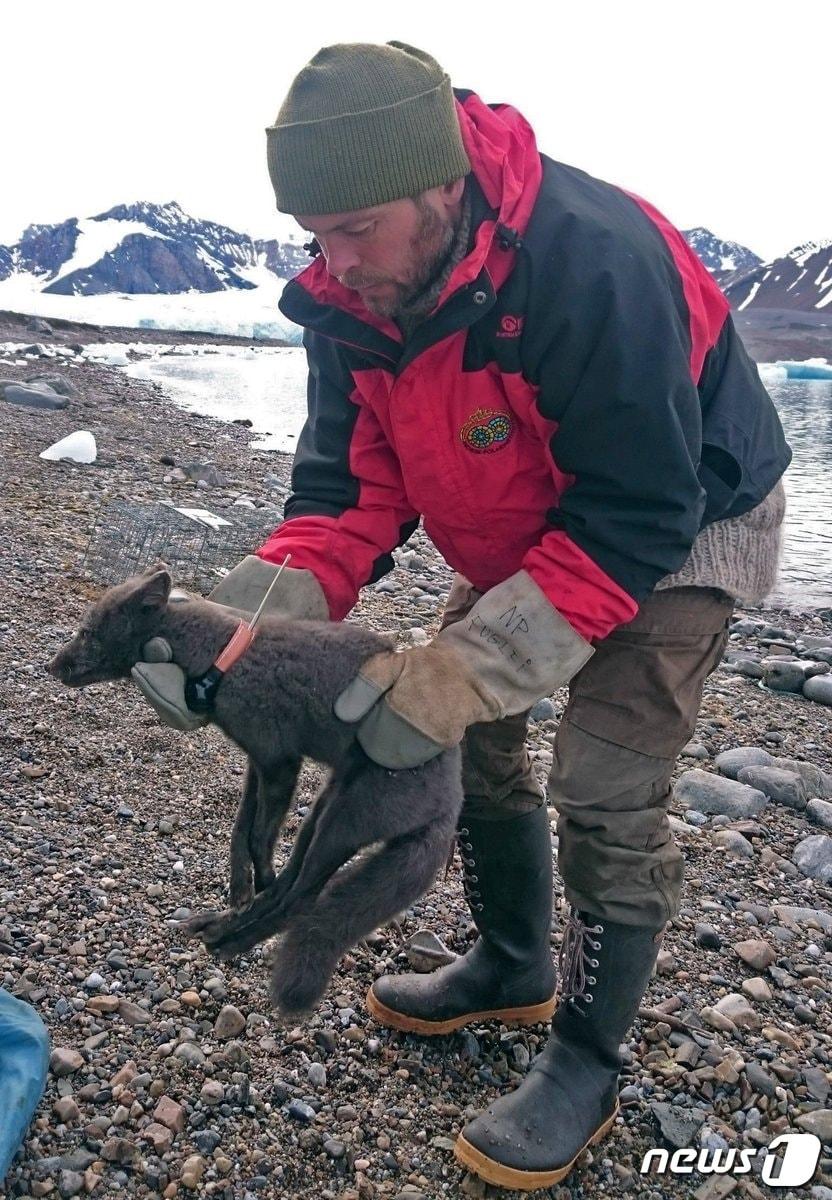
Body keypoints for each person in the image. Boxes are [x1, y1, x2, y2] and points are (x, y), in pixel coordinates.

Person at [135, 42, 790, 1191]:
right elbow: (347, 491)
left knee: (605, 783)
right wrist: (237, 626)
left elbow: (637, 510)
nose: (335, 264)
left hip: (683, 514)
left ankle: (585, 1061)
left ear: (442, 186)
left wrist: (472, 662)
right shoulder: (351, 296)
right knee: (461, 734)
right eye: (313, 236)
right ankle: (510, 960)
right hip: (525, 518)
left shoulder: (594, 264)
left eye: (358, 230)